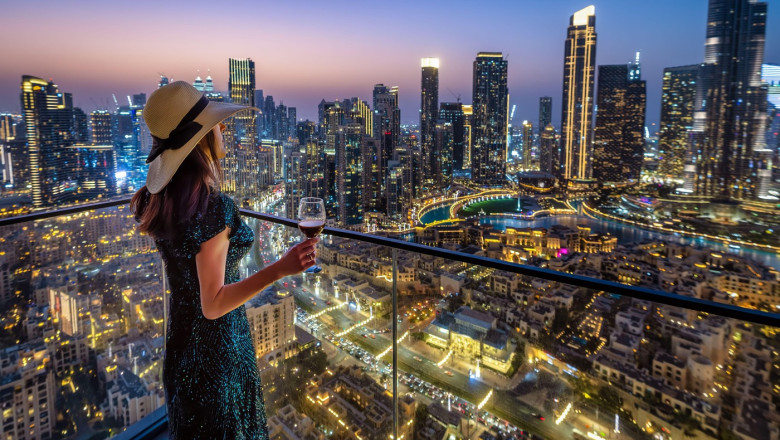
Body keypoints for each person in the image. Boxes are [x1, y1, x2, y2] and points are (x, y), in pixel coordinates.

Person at [130, 81, 317, 439]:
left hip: (182, 350)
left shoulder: (163, 200)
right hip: (218, 355)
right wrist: (282, 267)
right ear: (200, 139)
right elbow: (213, 304)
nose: (223, 127)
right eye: (215, 123)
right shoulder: (212, 208)